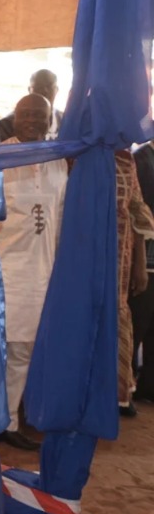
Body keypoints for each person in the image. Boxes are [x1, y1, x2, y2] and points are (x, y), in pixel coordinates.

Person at [0, 94, 68, 451]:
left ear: (50, 120)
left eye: (41, 116)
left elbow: (60, 216)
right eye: (27, 115)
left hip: (41, 272)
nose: (34, 121)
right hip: (3, 270)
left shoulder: (57, 161)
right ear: (15, 118)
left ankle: (8, 420)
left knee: (24, 350)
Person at [113, 148, 154, 417]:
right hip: (83, 259)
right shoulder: (142, 159)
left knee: (125, 321)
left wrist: (139, 261)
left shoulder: (126, 160)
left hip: (124, 258)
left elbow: (137, 209)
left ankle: (126, 391)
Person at [0, 69, 65, 141]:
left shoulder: (66, 122)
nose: (45, 91)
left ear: (56, 90)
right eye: (39, 87)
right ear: (29, 90)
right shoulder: (6, 125)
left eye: (49, 86)